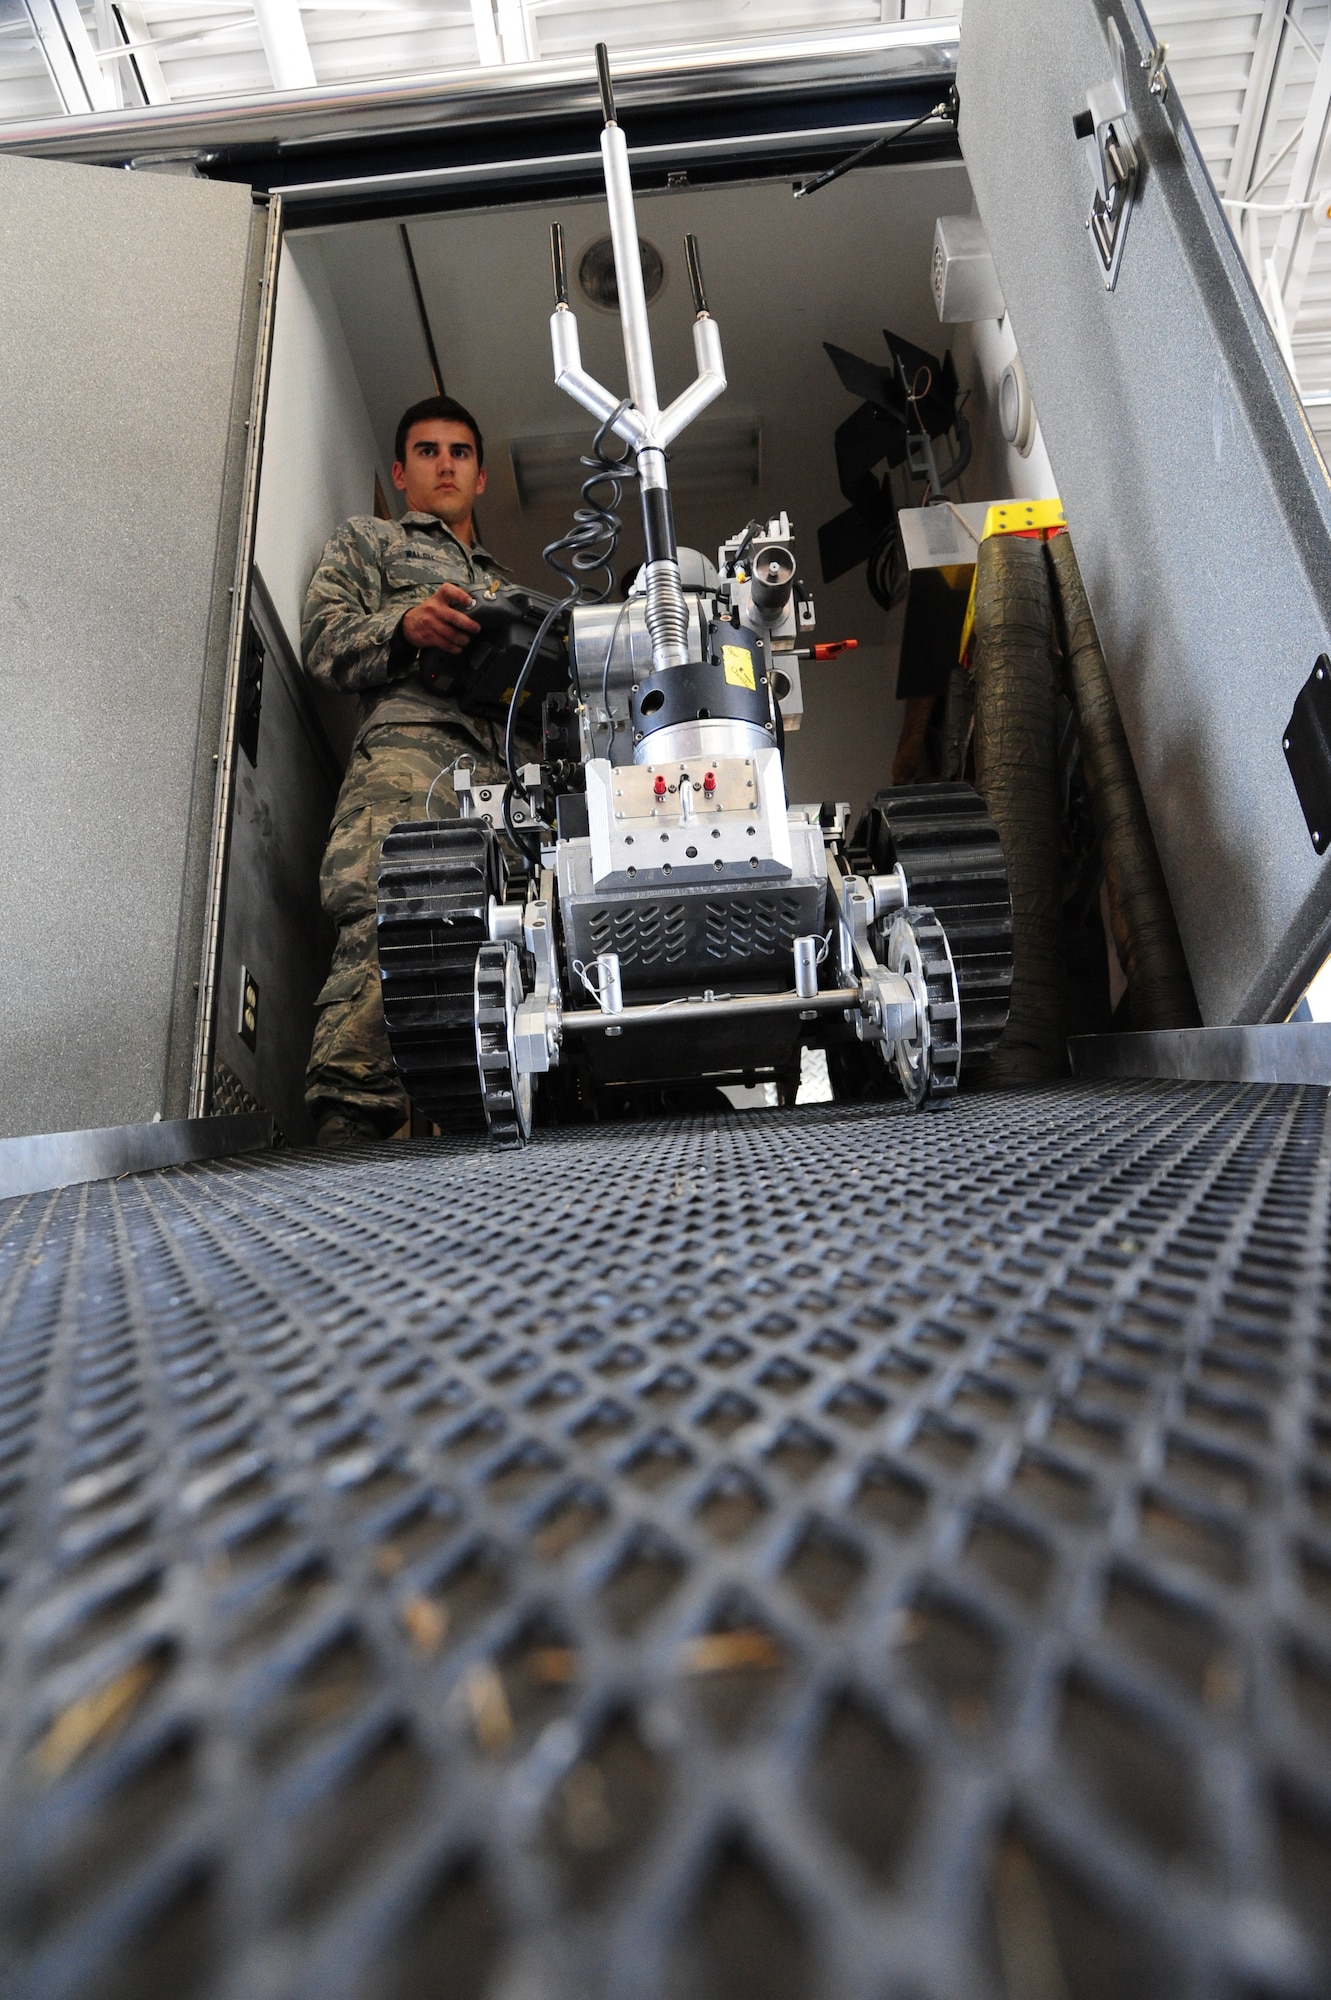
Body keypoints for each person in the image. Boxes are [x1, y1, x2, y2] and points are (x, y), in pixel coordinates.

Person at [302, 393, 513, 1147]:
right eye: (427, 451)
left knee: (494, 948)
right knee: (386, 932)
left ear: (481, 476)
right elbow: (323, 642)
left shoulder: (505, 588)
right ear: (400, 471)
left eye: (459, 452)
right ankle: (347, 1131)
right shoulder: (373, 543)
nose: (445, 464)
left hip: (496, 792)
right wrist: (404, 625)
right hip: (405, 762)